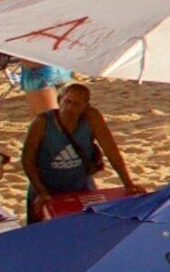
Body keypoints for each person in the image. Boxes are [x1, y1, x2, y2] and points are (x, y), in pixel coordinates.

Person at [20, 80, 137, 217]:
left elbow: (112, 152)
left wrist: (128, 184)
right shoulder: (42, 122)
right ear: (59, 100)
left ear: (85, 107)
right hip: (47, 188)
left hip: (81, 187)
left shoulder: (92, 118)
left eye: (76, 104)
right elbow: (27, 160)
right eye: (67, 102)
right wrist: (42, 192)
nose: (69, 108)